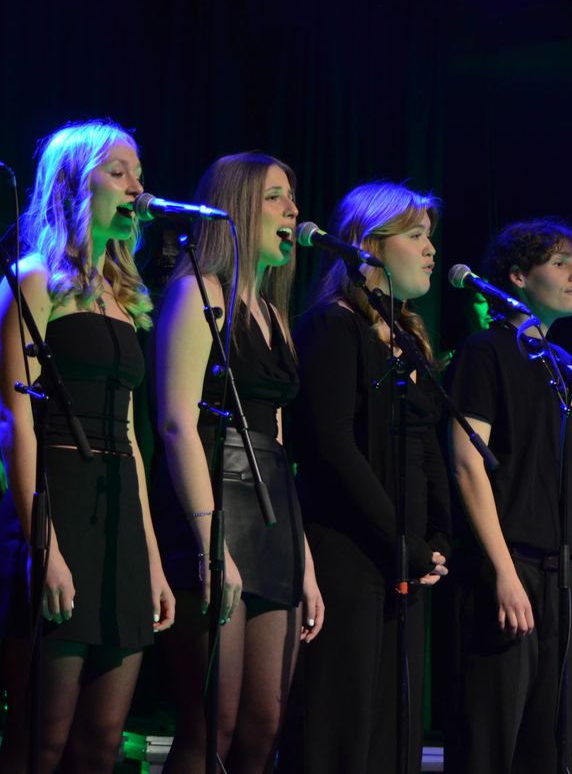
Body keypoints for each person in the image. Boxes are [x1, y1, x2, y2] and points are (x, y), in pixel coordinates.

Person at [0, 120, 175, 773]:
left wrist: (152, 559)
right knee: (41, 741)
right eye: (120, 171)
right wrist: (43, 545)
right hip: (59, 506)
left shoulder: (123, 298)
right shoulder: (34, 279)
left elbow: (131, 435)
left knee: (102, 742)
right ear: (76, 183)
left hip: (119, 520)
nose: (137, 185)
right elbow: (15, 420)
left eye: (137, 170)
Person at [152, 152, 323, 773]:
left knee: (263, 724)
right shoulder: (198, 293)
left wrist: (304, 561)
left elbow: (276, 442)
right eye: (278, 197)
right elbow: (175, 422)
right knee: (212, 724)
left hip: (275, 518)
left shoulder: (275, 317)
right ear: (241, 206)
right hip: (214, 505)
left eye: (293, 196)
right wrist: (209, 539)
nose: (293, 211)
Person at [290, 181, 451, 774]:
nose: (430, 249)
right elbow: (331, 448)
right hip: (352, 553)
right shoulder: (332, 327)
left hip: (403, 560)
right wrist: (400, 541)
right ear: (369, 246)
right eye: (416, 235)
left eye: (429, 235)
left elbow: (427, 443)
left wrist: (438, 537)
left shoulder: (408, 338)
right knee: (343, 731)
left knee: (393, 735)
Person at [444, 218, 572, 774]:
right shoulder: (484, 353)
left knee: (548, 748)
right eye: (560, 263)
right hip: (504, 572)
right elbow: (468, 464)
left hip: (557, 577)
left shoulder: (563, 371)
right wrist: (504, 571)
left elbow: (567, 485)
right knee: (490, 745)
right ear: (516, 276)